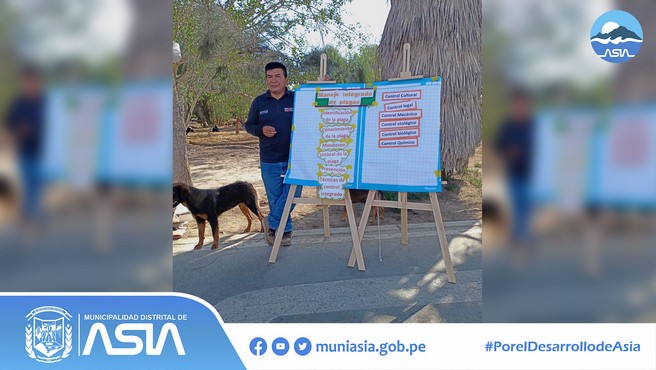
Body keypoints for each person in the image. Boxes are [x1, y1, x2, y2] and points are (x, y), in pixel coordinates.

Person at [245, 62, 302, 246]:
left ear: (286, 79)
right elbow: (249, 125)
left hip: (295, 159)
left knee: (293, 195)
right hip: (269, 160)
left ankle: (270, 222)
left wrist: (323, 86)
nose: (273, 80)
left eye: (277, 76)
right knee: (276, 197)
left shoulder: (297, 98)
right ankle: (285, 232)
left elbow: (317, 103)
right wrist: (261, 130)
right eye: (269, 77)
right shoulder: (259, 102)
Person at [5, 65, 46, 226]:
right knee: (31, 185)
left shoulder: (46, 102)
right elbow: (8, 127)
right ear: (23, 82)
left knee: (38, 186)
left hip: (46, 153)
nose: (31, 84)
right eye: (27, 81)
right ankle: (30, 218)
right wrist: (18, 131)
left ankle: (30, 216)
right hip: (26, 152)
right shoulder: (16, 104)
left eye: (34, 81)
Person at [494, 88, 534, 246]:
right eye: (516, 104)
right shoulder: (507, 126)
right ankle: (518, 242)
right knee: (518, 210)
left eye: (523, 104)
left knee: (529, 211)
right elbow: (498, 149)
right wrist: (508, 154)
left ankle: (524, 241)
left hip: (534, 176)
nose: (519, 107)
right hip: (514, 175)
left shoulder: (535, 125)